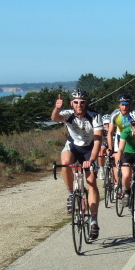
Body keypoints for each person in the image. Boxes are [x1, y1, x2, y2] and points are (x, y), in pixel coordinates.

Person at [51, 89, 103, 240]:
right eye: (76, 102)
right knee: (65, 163)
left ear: (86, 103)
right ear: (71, 103)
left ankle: (93, 220)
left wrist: (91, 160)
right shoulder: (68, 113)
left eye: (82, 102)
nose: (79, 105)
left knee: (91, 182)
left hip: (90, 148)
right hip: (73, 145)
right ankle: (70, 193)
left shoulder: (95, 116)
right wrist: (57, 108)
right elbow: (55, 118)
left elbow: (98, 140)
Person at [107, 93, 134, 188]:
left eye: (127, 105)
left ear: (129, 105)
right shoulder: (115, 114)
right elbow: (110, 132)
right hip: (119, 137)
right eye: (122, 105)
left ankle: (130, 181)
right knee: (116, 161)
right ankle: (117, 184)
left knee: (130, 161)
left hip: (130, 137)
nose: (124, 107)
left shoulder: (132, 114)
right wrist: (110, 148)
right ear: (119, 105)